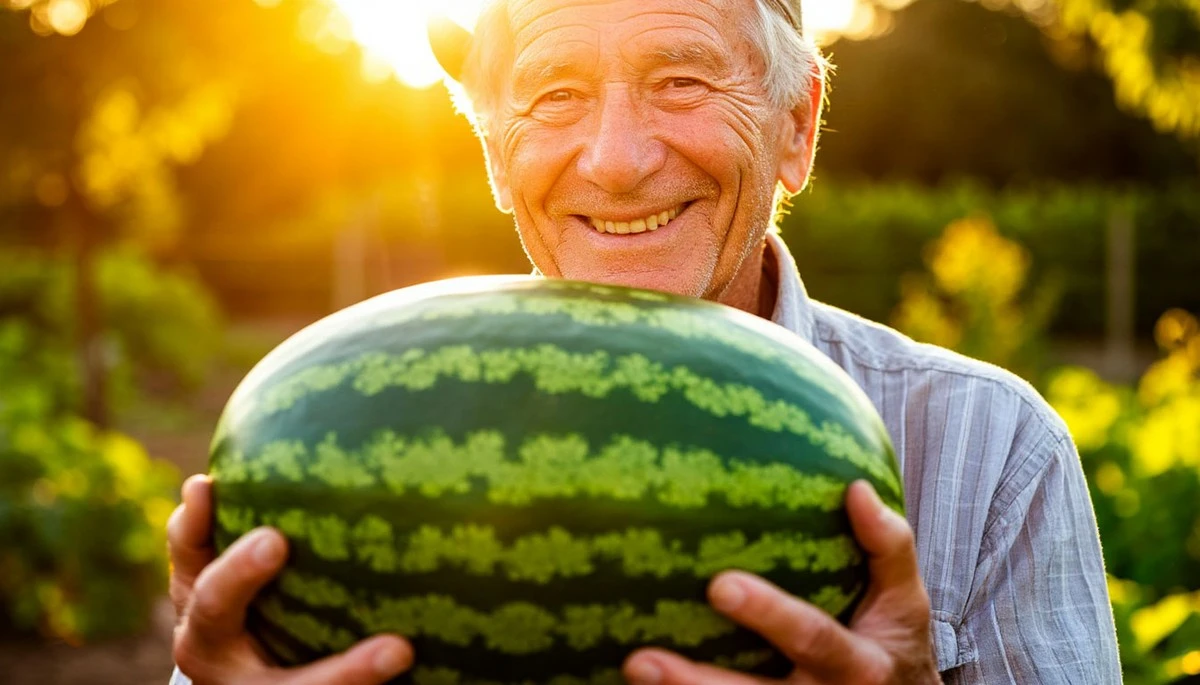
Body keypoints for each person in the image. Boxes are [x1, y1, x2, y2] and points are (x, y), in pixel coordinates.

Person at [167, 0, 1122, 683]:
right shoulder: (349, 433)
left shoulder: (991, 450)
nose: (617, 161)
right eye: (555, 95)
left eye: (680, 81)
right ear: (496, 155)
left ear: (796, 127)